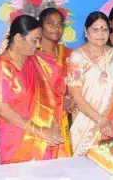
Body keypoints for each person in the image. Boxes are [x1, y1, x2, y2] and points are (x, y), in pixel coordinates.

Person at [0, 15, 64, 164]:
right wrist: (39, 131)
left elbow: (44, 100)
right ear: (18, 39)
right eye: (34, 40)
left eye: (38, 40)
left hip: (40, 137)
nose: (37, 45)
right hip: (14, 140)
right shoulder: (1, 67)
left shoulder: (32, 61)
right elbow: (1, 109)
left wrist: (54, 126)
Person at [67, 12, 113, 156]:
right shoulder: (77, 57)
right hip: (85, 124)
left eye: (104, 29)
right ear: (86, 31)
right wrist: (101, 121)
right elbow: (76, 96)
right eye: (95, 30)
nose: (100, 34)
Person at [28, 8, 75, 158]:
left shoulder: (68, 53)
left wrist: (69, 98)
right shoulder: (31, 54)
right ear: (40, 25)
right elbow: (29, 89)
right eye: (50, 23)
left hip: (63, 115)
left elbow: (73, 83)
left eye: (60, 24)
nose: (56, 28)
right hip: (38, 117)